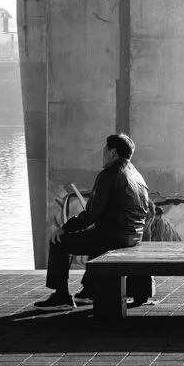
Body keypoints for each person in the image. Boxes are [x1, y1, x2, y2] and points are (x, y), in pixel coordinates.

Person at [34, 132, 153, 311]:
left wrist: (65, 229)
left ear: (113, 152)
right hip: (133, 237)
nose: (102, 154)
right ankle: (90, 291)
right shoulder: (137, 176)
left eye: (104, 150)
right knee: (95, 237)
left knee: (58, 243)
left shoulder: (109, 174)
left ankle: (61, 297)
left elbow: (91, 213)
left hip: (113, 237)